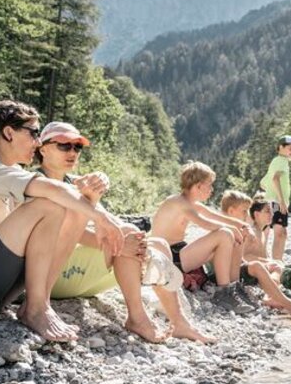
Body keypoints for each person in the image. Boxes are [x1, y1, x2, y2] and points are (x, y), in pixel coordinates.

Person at [0, 101, 124, 342]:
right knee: (49, 203)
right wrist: (102, 219)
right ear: (9, 133)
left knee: (72, 207)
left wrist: (91, 201)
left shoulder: (10, 172)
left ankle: (38, 303)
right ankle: (37, 309)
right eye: (34, 133)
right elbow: (51, 190)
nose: (38, 143)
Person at [37, 122, 213, 343]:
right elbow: (56, 234)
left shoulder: (76, 182)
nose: (72, 152)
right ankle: (137, 318)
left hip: (81, 274)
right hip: (52, 274)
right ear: (43, 149)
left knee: (157, 243)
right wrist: (120, 242)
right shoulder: (35, 183)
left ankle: (179, 323)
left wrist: (136, 241)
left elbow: (107, 220)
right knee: (128, 236)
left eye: (77, 147)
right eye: (64, 145)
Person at [151, 162, 291, 314]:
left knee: (236, 234)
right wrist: (233, 229)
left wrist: (243, 227)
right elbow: (205, 223)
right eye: (209, 185)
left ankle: (234, 286)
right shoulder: (179, 202)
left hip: (180, 253)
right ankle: (224, 292)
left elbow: (218, 217)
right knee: (224, 234)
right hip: (170, 258)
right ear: (198, 186)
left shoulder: (192, 203)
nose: (212, 189)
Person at [259, 135, 291, 261]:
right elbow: (275, 179)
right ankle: (277, 262)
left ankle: (265, 260)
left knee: (268, 231)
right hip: (277, 202)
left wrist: (270, 195)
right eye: (290, 148)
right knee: (281, 233)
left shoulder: (276, 161)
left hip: (272, 201)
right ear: (280, 147)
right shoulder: (282, 161)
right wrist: (282, 202)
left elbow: (263, 183)